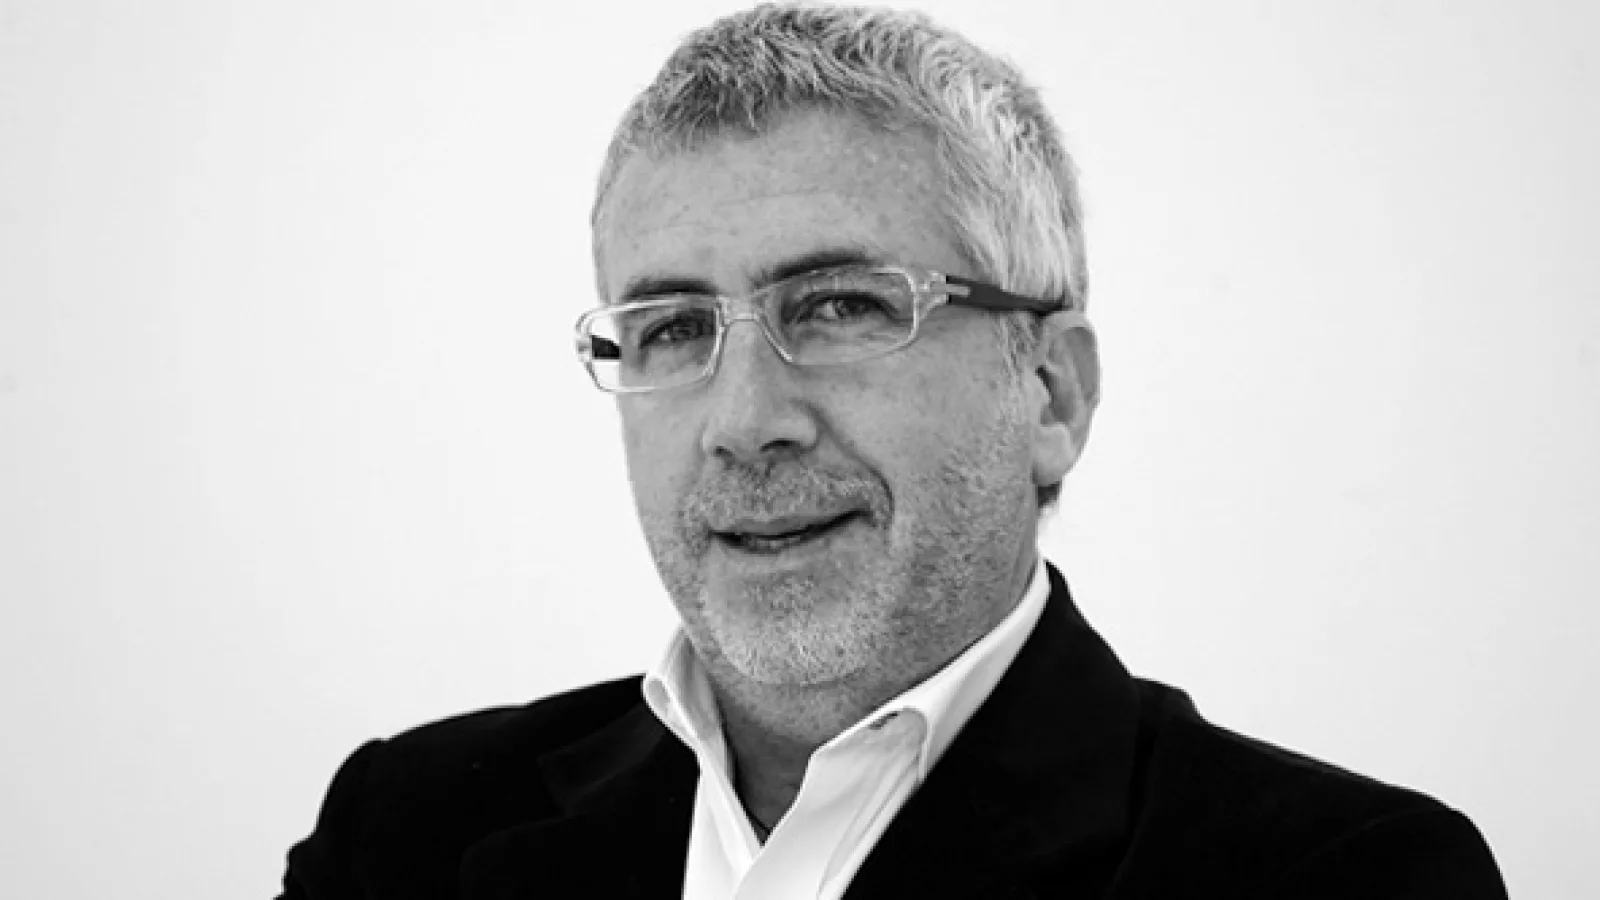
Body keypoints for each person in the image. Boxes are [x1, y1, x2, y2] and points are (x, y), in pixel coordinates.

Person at [278, 4, 1508, 898]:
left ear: (1049, 393)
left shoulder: (1342, 878)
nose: (743, 419)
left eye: (839, 307)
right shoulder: (407, 833)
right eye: (673, 329)